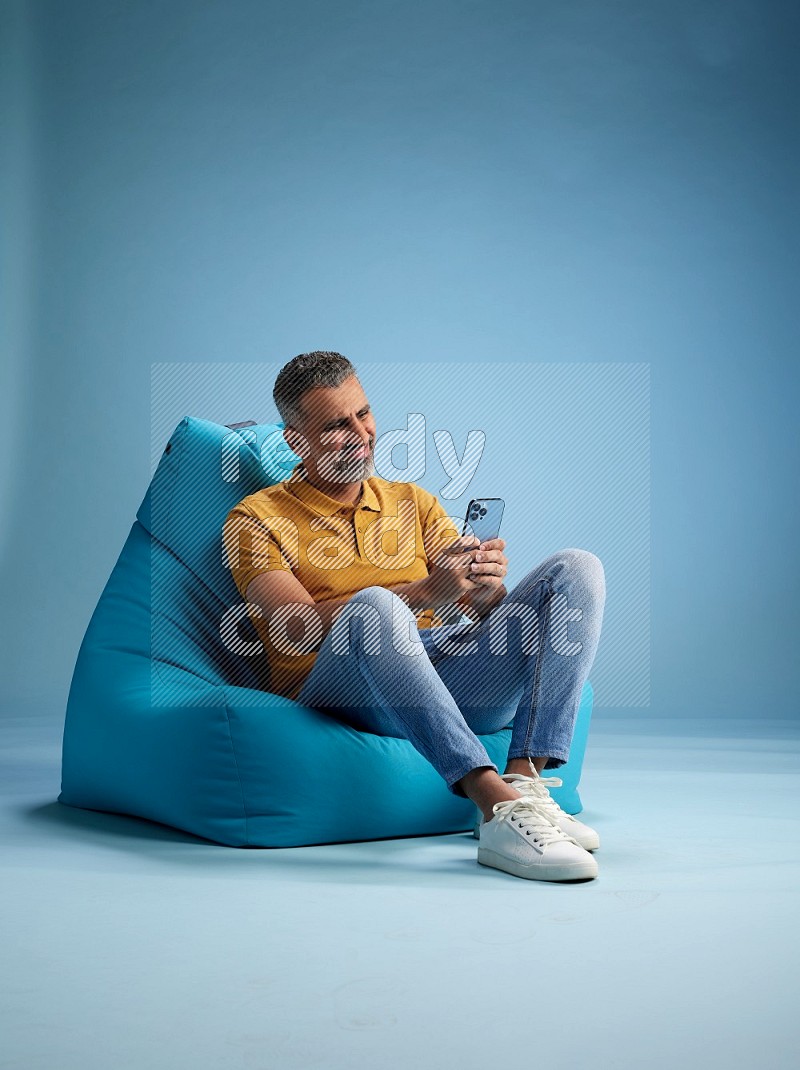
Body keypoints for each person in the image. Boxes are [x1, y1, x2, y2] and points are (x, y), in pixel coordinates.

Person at [222, 351, 606, 883]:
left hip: (437, 672)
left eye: (364, 413)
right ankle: (492, 806)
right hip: (342, 692)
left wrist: (487, 590)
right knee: (375, 606)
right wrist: (425, 589)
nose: (360, 434)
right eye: (336, 424)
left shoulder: (413, 502)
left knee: (576, 569)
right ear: (295, 440)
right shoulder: (254, 519)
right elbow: (294, 625)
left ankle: (525, 786)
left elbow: (472, 608)